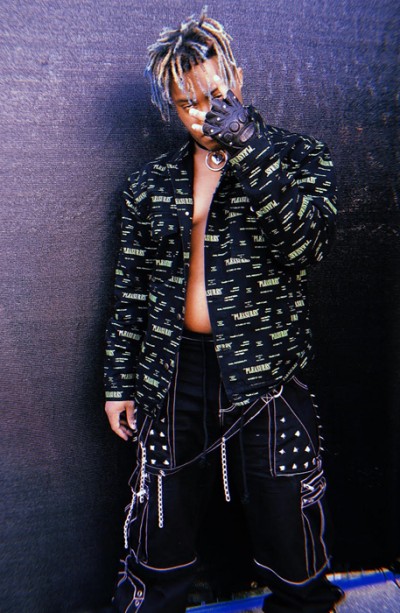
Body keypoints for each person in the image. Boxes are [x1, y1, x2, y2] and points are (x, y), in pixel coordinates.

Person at [104, 10, 344, 613]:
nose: (201, 114)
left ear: (235, 78)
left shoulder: (297, 156)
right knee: (160, 524)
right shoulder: (151, 183)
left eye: (213, 95)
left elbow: (307, 246)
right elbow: (131, 291)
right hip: (173, 372)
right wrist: (119, 383)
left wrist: (248, 147)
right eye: (185, 103)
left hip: (267, 372)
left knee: (288, 522)